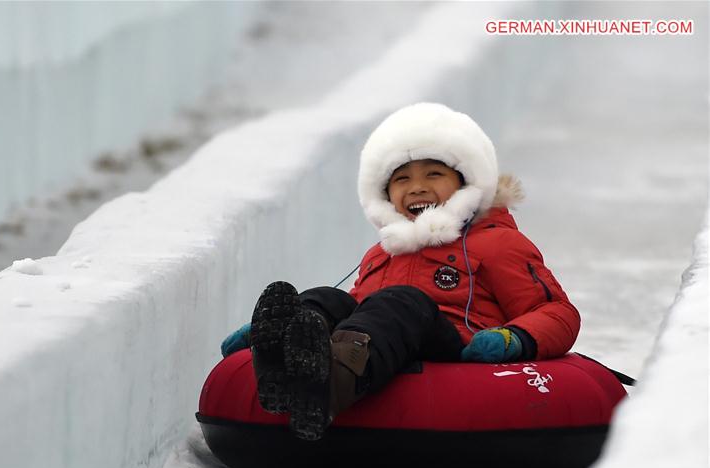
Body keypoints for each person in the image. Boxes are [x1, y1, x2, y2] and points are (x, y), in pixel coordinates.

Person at [220, 103, 580, 441]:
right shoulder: (384, 251)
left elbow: (557, 312)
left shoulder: (496, 243)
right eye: (402, 179)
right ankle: (283, 352)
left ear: (466, 183)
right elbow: (363, 311)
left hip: (455, 350)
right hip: (385, 341)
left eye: (434, 174)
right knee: (329, 298)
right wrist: (304, 318)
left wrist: (511, 339)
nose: (418, 187)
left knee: (400, 301)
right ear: (386, 193)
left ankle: (329, 390)